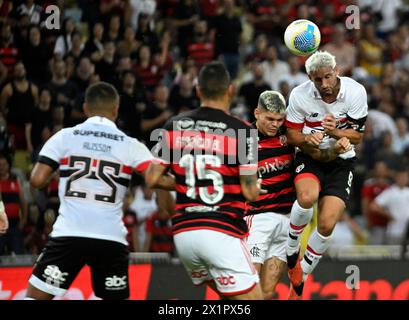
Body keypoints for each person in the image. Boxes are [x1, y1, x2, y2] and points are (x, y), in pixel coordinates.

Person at [25, 82, 173, 300]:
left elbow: (36, 180)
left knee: (35, 298)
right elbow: (160, 184)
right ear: (116, 109)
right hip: (110, 237)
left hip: (69, 233)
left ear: (85, 108)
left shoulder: (64, 136)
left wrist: (59, 173)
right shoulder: (130, 144)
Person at [146, 61, 264, 300]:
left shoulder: (174, 126)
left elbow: (151, 178)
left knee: (229, 300)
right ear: (230, 90)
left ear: (198, 90)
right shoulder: (242, 131)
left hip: (184, 235)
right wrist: (258, 186)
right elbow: (250, 192)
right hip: (221, 231)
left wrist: (184, 183)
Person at [246, 90, 352, 300]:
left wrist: (335, 152)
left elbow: (317, 156)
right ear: (257, 113)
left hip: (287, 218)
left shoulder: (291, 134)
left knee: (267, 292)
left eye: (278, 119)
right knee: (249, 285)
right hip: (257, 218)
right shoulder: (244, 139)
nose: (274, 124)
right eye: (269, 119)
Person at [284, 51, 368, 299]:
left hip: (341, 161)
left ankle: (300, 276)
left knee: (328, 223)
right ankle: (291, 249)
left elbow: (357, 135)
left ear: (337, 71)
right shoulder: (299, 95)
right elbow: (291, 134)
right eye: (318, 79)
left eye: (328, 77)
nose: (325, 85)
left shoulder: (355, 92)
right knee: (307, 198)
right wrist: (308, 139)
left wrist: (334, 134)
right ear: (310, 77)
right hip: (310, 157)